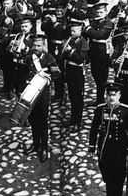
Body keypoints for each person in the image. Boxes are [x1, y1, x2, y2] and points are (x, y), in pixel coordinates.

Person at [89, 82, 128, 196]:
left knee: (119, 177)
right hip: (105, 150)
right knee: (107, 176)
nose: (111, 98)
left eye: (114, 95)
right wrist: (92, 146)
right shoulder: (100, 110)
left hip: (120, 150)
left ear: (119, 96)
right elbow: (94, 129)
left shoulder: (126, 110)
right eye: (109, 95)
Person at [22, 35, 60, 163]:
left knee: (43, 120)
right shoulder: (28, 58)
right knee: (32, 119)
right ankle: (35, 143)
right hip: (31, 92)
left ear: (43, 46)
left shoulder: (49, 58)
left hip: (43, 93)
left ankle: (44, 147)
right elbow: (23, 72)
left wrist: (47, 77)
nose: (36, 48)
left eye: (39, 46)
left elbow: (56, 73)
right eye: (34, 46)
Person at [60, 19, 89, 131]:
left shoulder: (83, 42)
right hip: (70, 69)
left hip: (77, 71)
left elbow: (81, 59)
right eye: (71, 31)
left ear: (80, 31)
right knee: (72, 96)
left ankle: (78, 121)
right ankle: (73, 119)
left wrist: (70, 51)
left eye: (74, 31)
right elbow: (63, 56)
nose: (72, 33)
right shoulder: (70, 40)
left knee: (78, 97)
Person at [85, 2, 114, 104]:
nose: (99, 14)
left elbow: (99, 35)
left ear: (106, 12)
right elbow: (87, 35)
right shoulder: (94, 22)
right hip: (93, 51)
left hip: (102, 52)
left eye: (101, 12)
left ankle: (103, 100)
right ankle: (99, 99)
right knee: (95, 75)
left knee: (102, 78)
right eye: (97, 12)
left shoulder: (108, 23)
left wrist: (88, 28)